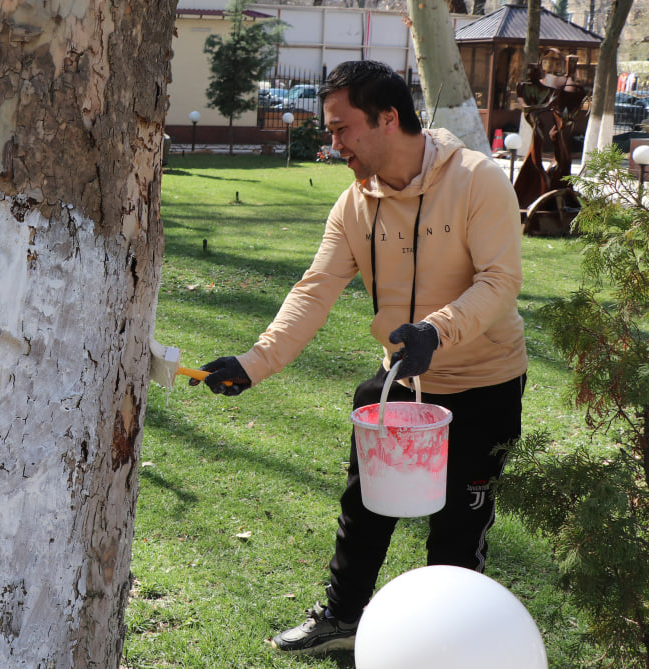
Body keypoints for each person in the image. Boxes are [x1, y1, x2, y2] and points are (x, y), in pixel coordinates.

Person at [201, 60, 527, 655]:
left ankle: (448, 643)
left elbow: (500, 280)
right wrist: (255, 362)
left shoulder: (477, 180)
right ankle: (342, 618)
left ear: (388, 118)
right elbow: (314, 290)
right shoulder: (355, 205)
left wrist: (436, 331)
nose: (334, 144)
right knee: (364, 507)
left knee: (458, 530)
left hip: (484, 382)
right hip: (400, 383)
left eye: (341, 128)